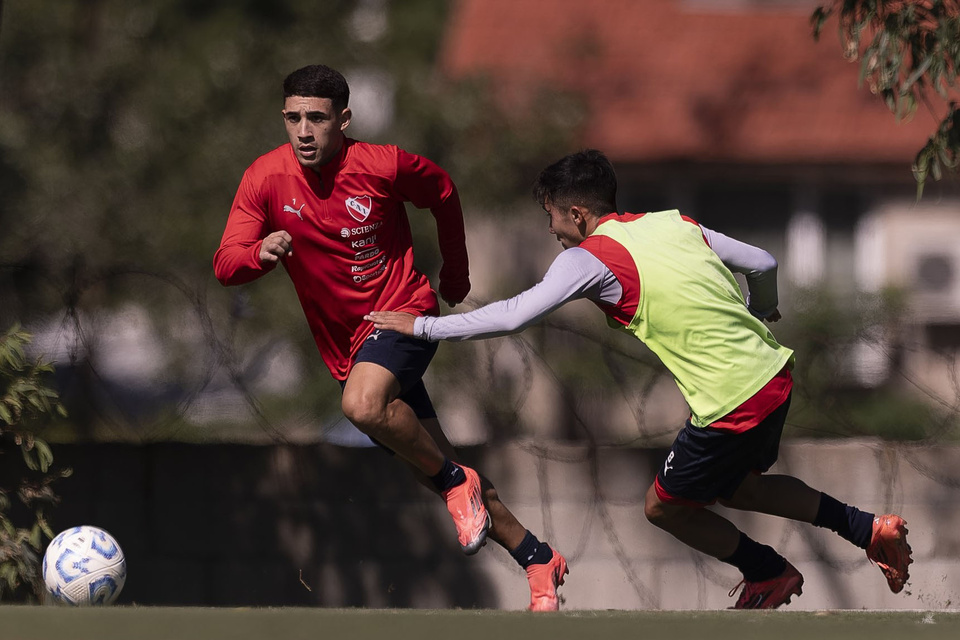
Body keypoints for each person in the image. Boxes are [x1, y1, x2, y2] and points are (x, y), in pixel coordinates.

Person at [366, 149, 913, 609]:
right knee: (741, 487)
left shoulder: (588, 258)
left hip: (731, 399)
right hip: (773, 371)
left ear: (577, 215)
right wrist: (762, 310)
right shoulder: (672, 222)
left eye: (551, 216)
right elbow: (764, 261)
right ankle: (867, 528)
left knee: (663, 507)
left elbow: (513, 315)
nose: (551, 229)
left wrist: (424, 326)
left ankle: (769, 572)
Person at [213, 64, 568, 611]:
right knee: (439, 469)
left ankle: (456, 483)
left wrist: (455, 273)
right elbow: (225, 262)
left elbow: (443, 191)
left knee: (362, 406)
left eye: (316, 118)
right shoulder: (265, 178)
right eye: (293, 118)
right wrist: (258, 255)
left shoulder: (382, 165)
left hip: (402, 315)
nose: (303, 130)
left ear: (344, 119)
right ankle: (537, 558)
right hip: (347, 349)